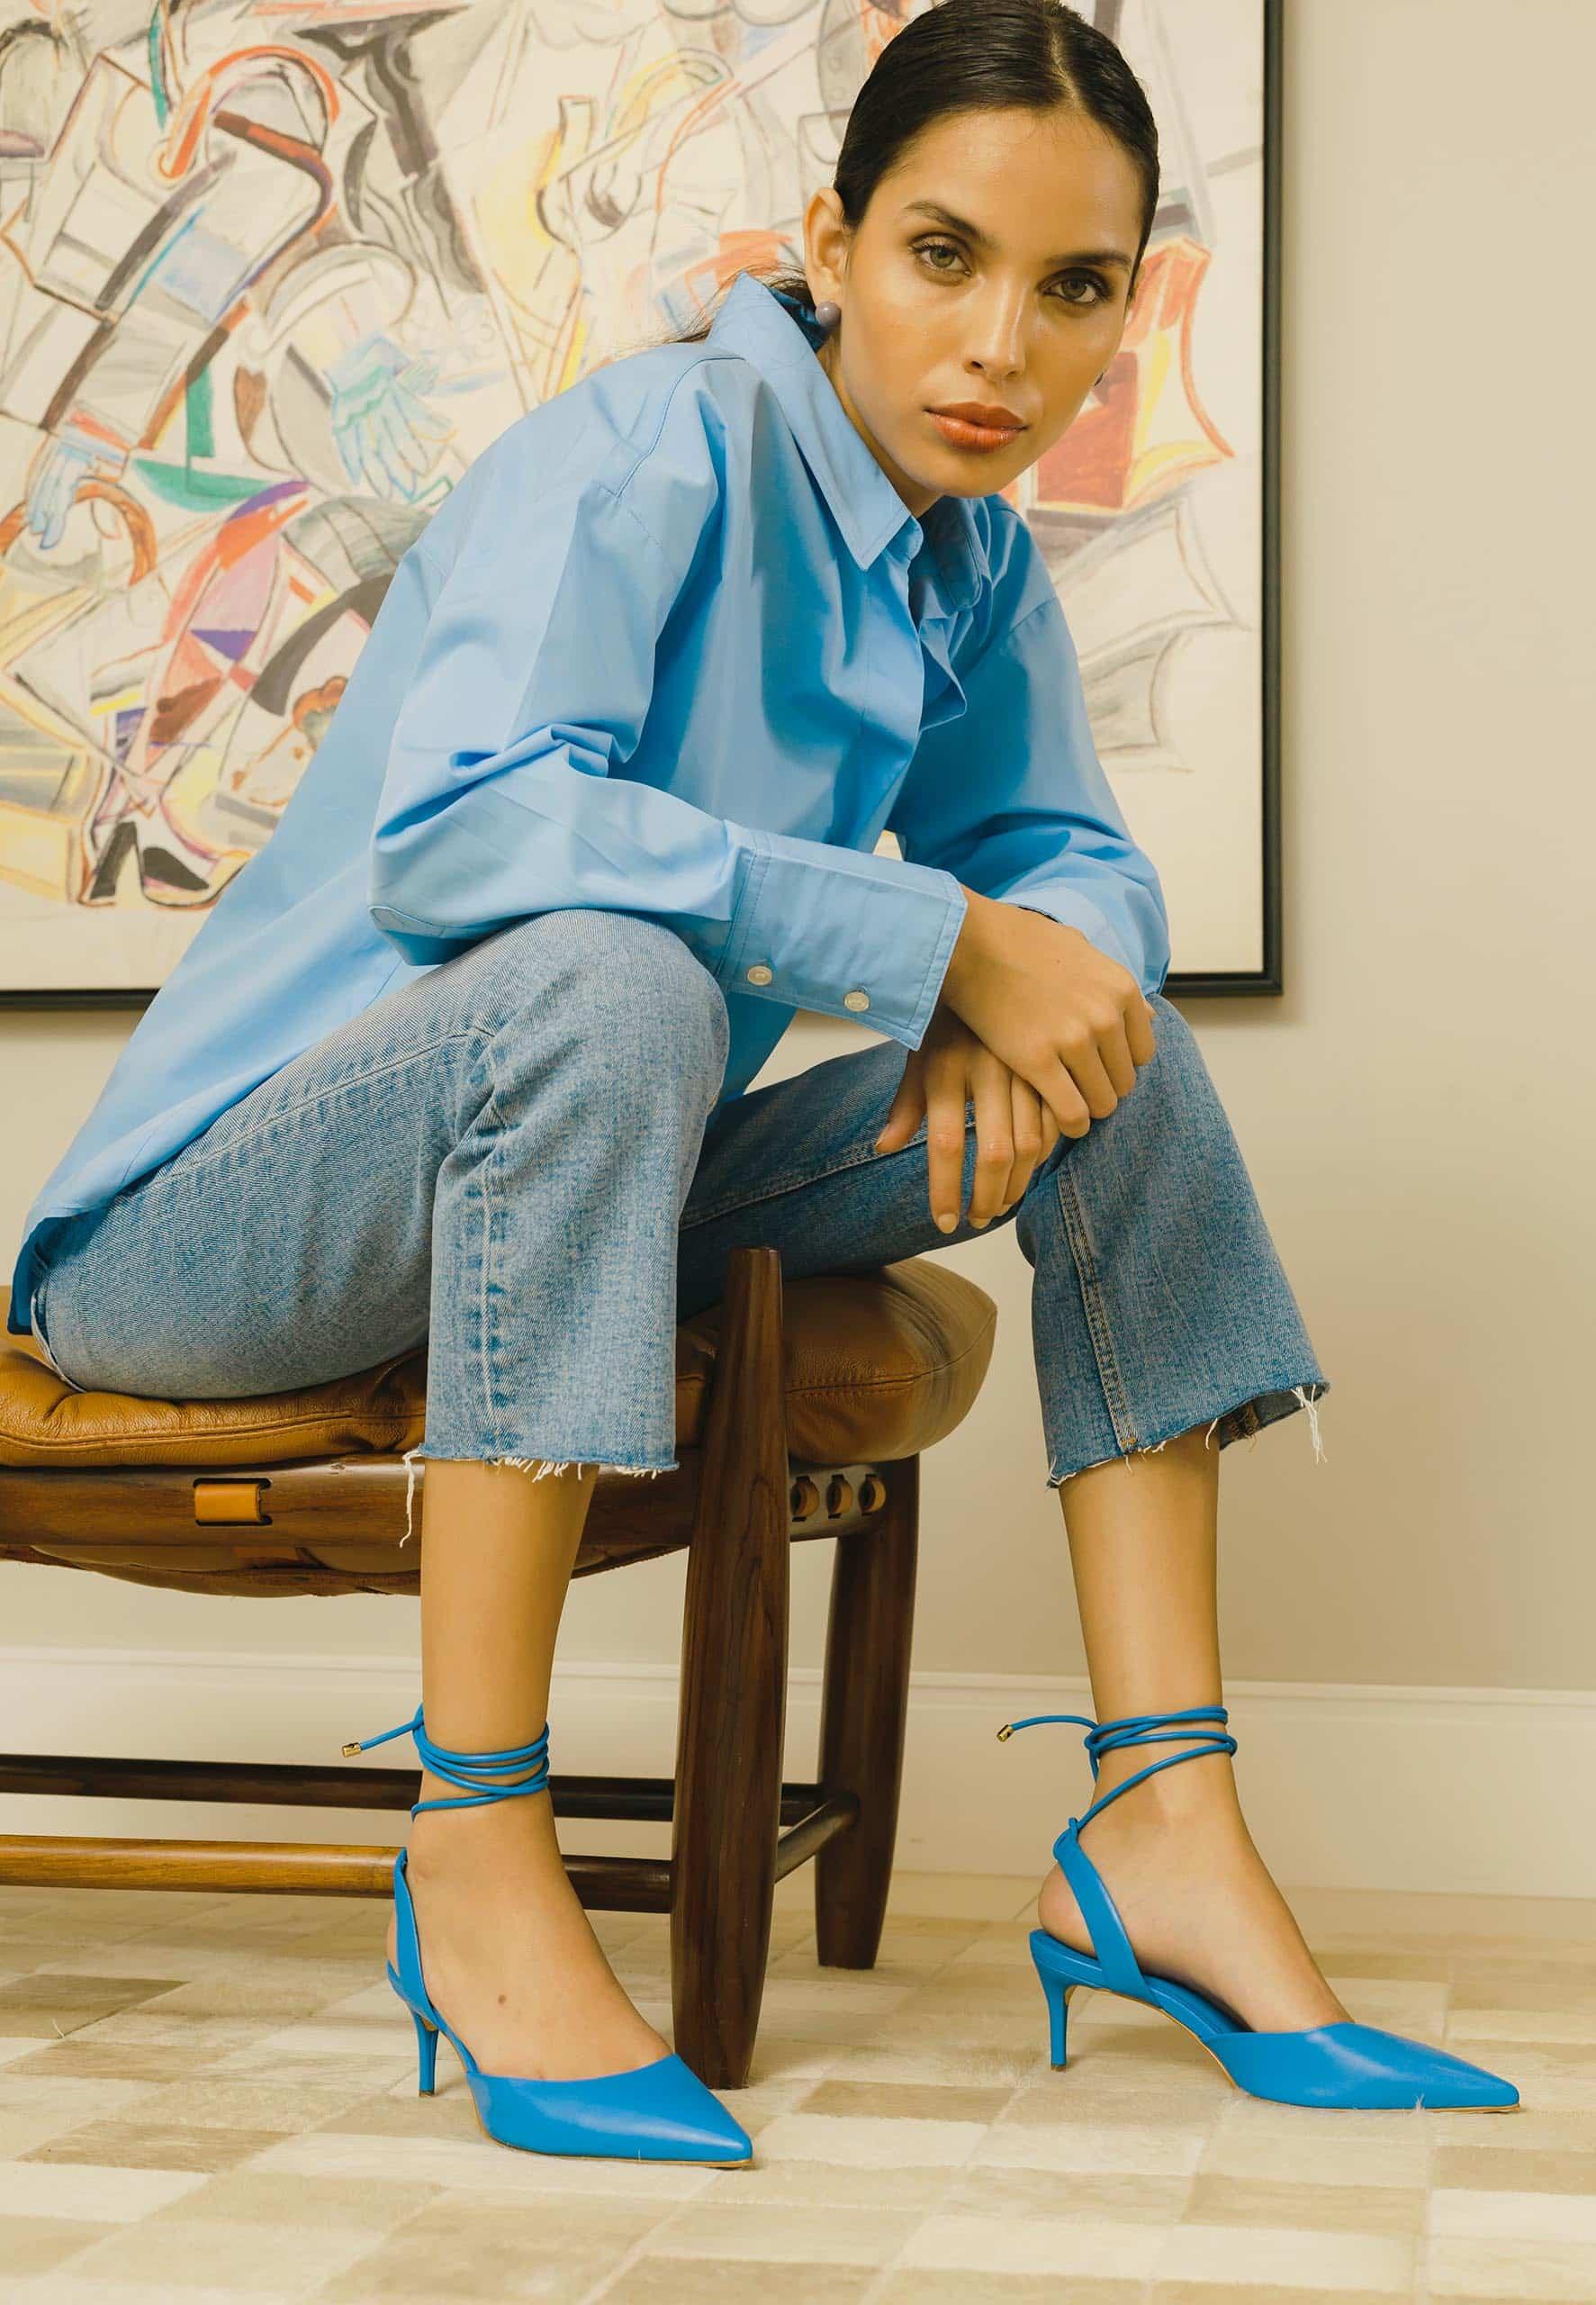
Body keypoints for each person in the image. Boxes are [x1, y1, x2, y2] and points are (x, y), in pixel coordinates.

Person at [18, 0, 1518, 2160]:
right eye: (941, 254)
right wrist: (922, 938)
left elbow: (1059, 864)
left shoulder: (965, 557)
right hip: (201, 1239)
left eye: (1073, 285)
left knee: (1115, 1049)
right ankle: (469, 1845)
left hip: (554, 1177)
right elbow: (465, 832)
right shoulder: (648, 453)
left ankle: (1163, 1819)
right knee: (617, 975)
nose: (1000, 339)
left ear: (1120, 312)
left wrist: (1022, 958)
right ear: (828, 240)